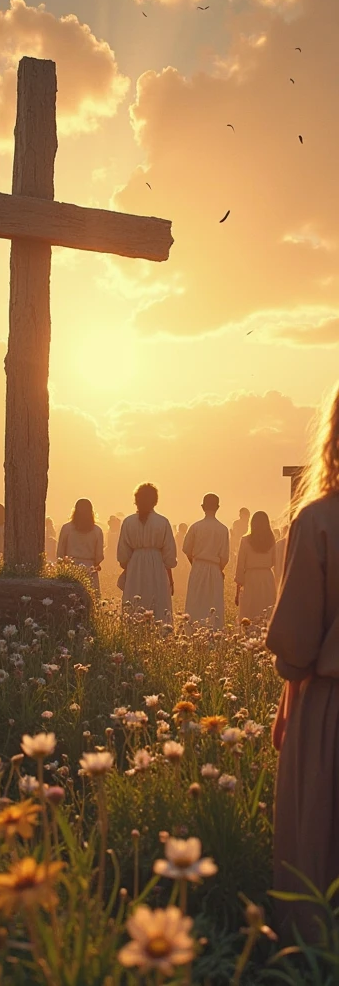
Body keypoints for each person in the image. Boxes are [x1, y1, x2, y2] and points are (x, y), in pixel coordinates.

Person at [266, 383, 339, 941]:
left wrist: (288, 698)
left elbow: (295, 642)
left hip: (328, 704)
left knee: (319, 840)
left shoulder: (318, 520)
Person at [117, 484, 176, 619]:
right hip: (157, 565)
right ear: (155, 501)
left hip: (135, 566)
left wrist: (129, 566)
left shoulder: (128, 522)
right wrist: (170, 578)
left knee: (134, 602)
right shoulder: (162, 522)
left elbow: (123, 554)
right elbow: (169, 555)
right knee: (158, 602)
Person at [183, 495, 229, 627]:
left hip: (198, 566)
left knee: (195, 601)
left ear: (202, 507)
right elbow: (225, 556)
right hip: (215, 568)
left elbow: (187, 549)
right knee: (214, 602)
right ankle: (214, 632)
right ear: (218, 507)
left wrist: (194, 562)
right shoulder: (223, 529)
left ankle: (192, 632)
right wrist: (219, 569)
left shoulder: (195, 527)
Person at [235, 512, 276, 623]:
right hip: (267, 578)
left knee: (250, 611)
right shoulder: (271, 541)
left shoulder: (245, 540)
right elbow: (274, 562)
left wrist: (237, 591)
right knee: (266, 610)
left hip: (250, 579)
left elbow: (240, 566)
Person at [58, 499, 104, 594]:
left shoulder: (66, 528)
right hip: (90, 569)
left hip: (70, 569)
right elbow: (99, 556)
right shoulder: (97, 531)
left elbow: (60, 553)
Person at [173, 522, 190, 599]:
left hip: (176, 557)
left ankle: (177, 589)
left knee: (177, 574)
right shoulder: (182, 537)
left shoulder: (176, 536)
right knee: (182, 574)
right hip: (181, 558)